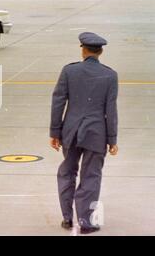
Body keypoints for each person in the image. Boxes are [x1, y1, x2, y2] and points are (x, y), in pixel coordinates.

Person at [50, 32, 119, 234]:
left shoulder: (69, 71)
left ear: (83, 50)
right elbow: (110, 110)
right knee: (91, 177)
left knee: (67, 173)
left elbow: (58, 102)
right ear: (101, 52)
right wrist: (112, 138)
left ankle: (67, 218)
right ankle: (86, 222)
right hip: (96, 134)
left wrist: (55, 131)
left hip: (70, 132)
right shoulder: (110, 75)